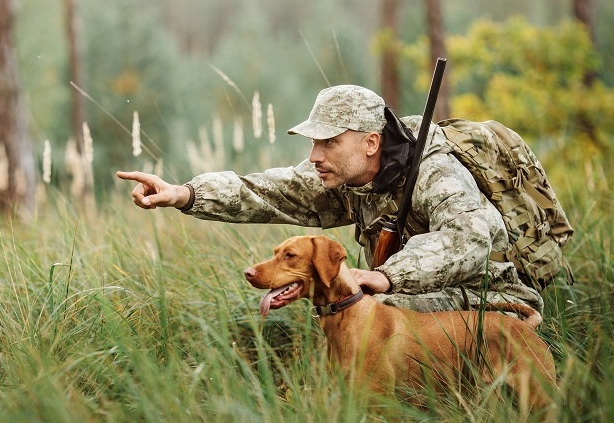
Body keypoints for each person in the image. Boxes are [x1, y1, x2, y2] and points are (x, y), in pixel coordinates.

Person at [116, 85, 543, 313]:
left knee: (374, 306)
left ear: (372, 142)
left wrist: (388, 277)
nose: (314, 156)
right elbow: (266, 191)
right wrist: (183, 193)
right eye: (314, 142)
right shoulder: (342, 175)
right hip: (417, 295)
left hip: (493, 296)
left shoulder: (434, 171)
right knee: (356, 306)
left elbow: (470, 238)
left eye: (330, 142)